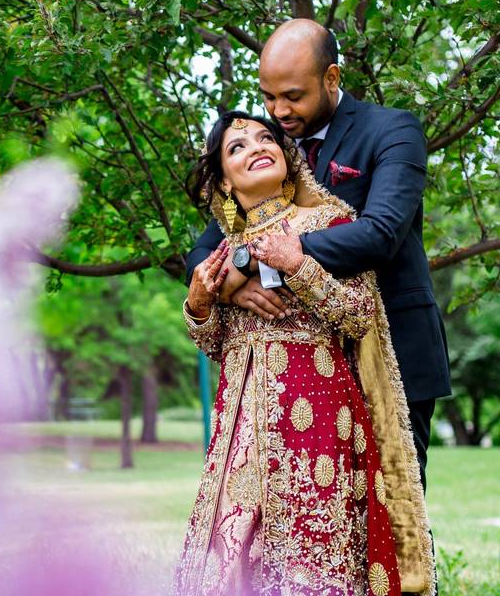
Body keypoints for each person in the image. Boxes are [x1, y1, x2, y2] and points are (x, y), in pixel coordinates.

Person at [174, 112, 433, 596]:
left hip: (319, 425)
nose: (255, 146)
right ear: (224, 185)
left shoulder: (327, 222)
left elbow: (359, 317)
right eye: (237, 147)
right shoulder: (221, 255)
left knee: (315, 558)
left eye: (265, 137)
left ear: (289, 160)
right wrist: (200, 303)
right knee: (234, 564)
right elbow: (215, 345)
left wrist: (298, 265)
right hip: (242, 433)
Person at [185, 20, 451, 492]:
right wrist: (233, 282)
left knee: (395, 512)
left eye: (291, 96)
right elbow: (207, 248)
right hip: (304, 371)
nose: (278, 110)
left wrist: (267, 258)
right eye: (267, 96)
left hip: (393, 347)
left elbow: (380, 234)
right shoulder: (273, 146)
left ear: (331, 78)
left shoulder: (393, 130)